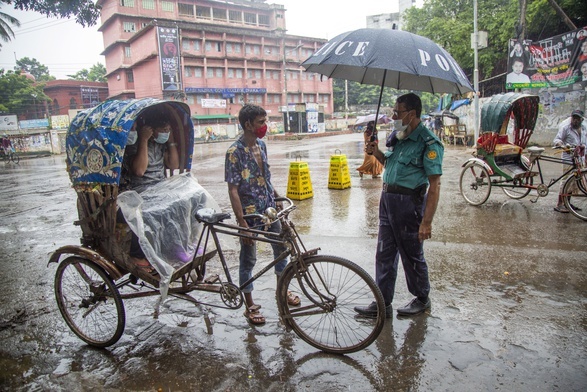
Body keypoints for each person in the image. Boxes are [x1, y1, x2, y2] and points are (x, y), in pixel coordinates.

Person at [354, 93, 444, 318]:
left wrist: (427, 222)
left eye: (398, 112)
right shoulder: (398, 136)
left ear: (412, 114)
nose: (393, 116)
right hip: (388, 201)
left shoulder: (428, 142)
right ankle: (382, 301)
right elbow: (390, 165)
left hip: (409, 204)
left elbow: (435, 185)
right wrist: (376, 153)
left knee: (411, 254)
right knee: (384, 253)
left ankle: (422, 298)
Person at [225, 104, 300, 326]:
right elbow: (233, 190)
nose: (264, 126)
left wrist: (279, 200)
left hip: (269, 210)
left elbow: (266, 180)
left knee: (281, 249)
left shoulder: (262, 145)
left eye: (265, 121)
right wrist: (242, 224)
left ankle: (282, 291)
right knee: (248, 259)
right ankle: (249, 304)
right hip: (249, 215)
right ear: (247, 124)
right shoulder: (234, 152)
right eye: (260, 122)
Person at [120, 111, 180, 270]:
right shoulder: (135, 145)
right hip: (140, 190)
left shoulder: (161, 145)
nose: (166, 133)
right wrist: (144, 140)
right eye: (163, 129)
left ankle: (176, 247)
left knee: (185, 202)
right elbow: (139, 170)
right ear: (151, 129)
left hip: (160, 188)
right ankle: (138, 255)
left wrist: (171, 141)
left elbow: (174, 165)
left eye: (168, 130)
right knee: (150, 211)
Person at [552, 109, 586, 213]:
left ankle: (567, 203)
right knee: (566, 180)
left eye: (577, 119)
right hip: (568, 157)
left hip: (580, 157)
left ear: (581, 119)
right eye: (573, 118)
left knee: (574, 181)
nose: (575, 120)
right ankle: (560, 204)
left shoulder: (584, 127)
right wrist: (562, 145)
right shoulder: (566, 127)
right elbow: (556, 140)